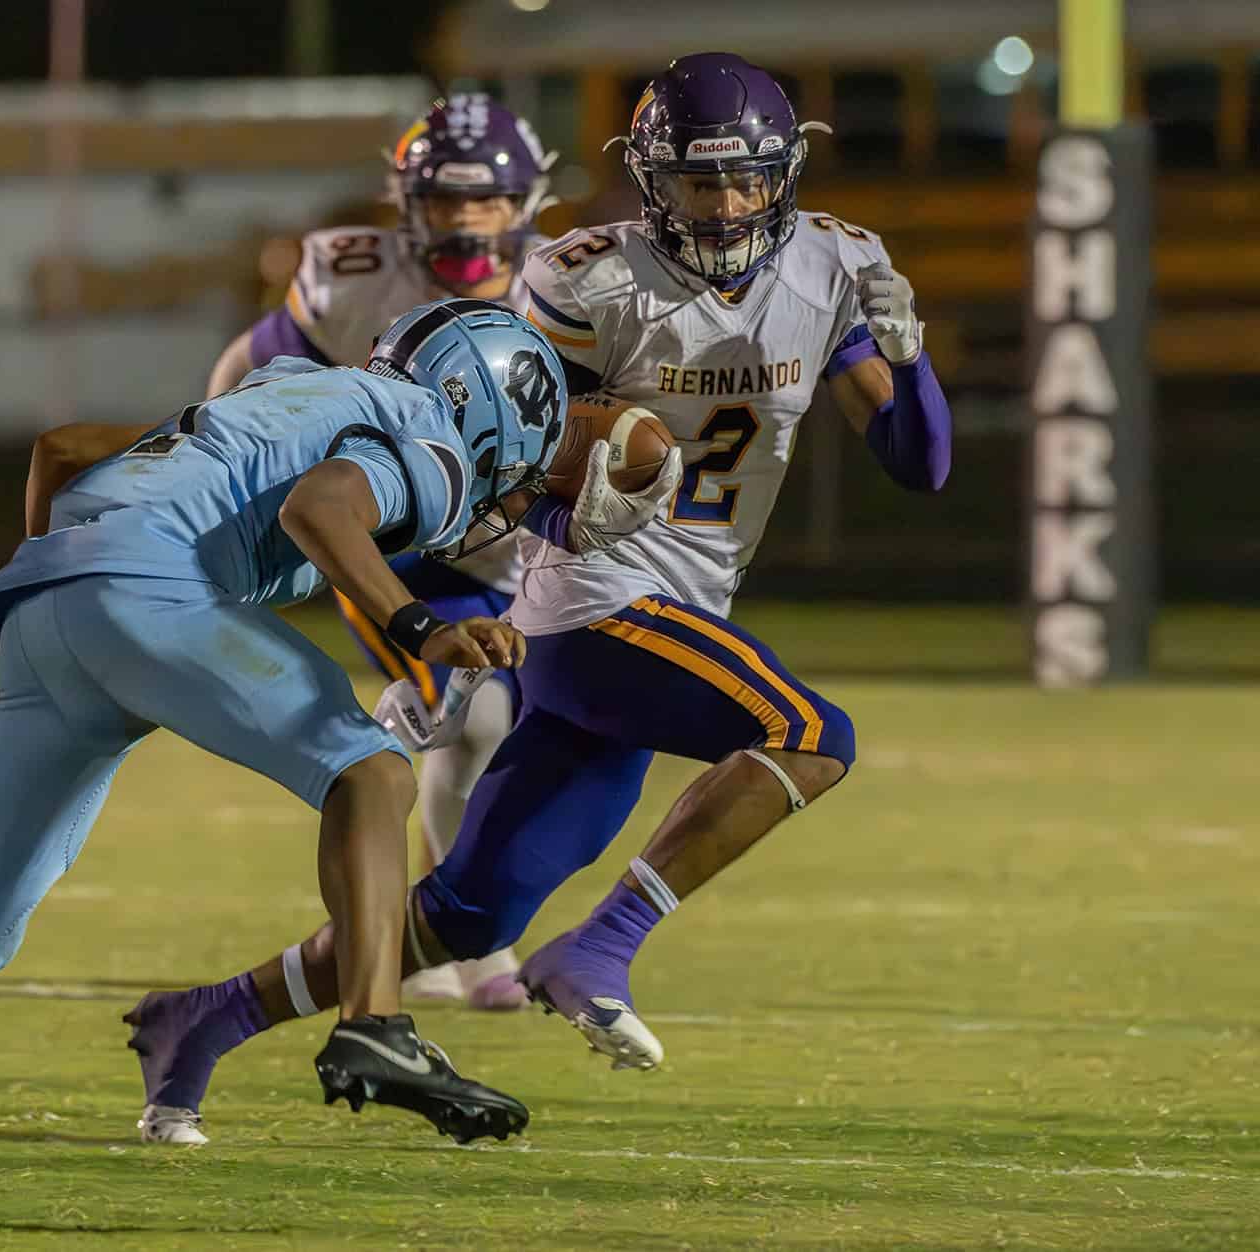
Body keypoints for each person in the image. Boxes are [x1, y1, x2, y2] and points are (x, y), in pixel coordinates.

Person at [128, 48, 952, 1113]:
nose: (727, 203)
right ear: (653, 181)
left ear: (784, 173)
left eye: (746, 178)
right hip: (594, 599)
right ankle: (601, 949)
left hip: (683, 604)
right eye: (701, 182)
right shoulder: (590, 277)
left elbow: (918, 462)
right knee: (810, 735)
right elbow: (506, 456)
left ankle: (205, 1018)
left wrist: (905, 345)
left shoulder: (831, 266)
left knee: (466, 916)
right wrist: (564, 519)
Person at [0, 297, 573, 1147]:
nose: (505, 491)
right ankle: (375, 1028)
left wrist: (65, 580)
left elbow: (61, 449)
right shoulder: (424, 432)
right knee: (372, 771)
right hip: (143, 590)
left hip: (46, 605)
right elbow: (319, 509)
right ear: (490, 410)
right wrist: (422, 628)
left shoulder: (288, 390)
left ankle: (373, 1027)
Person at [207, 94, 557, 1011]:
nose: (467, 220)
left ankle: (447, 923)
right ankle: (467, 941)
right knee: (474, 717)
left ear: (527, 199)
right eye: (445, 200)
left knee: (503, 726)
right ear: (408, 200)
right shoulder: (350, 274)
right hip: (391, 537)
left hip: (506, 544)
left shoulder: (569, 281)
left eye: (487, 200)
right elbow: (247, 370)